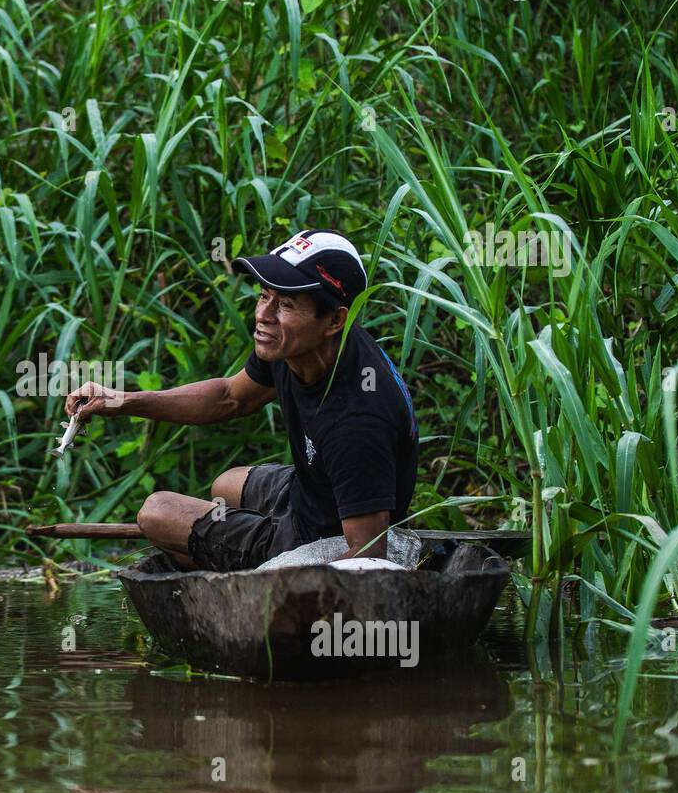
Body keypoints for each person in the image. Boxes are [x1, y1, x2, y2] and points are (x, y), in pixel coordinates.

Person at [65, 229, 418, 571]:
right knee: (226, 484)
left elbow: (367, 555)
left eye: (286, 304)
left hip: (320, 535)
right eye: (265, 295)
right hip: (311, 491)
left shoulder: (357, 419)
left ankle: (249, 554)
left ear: (335, 319)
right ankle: (238, 536)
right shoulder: (296, 346)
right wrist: (122, 400)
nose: (264, 316)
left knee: (157, 513)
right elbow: (230, 397)